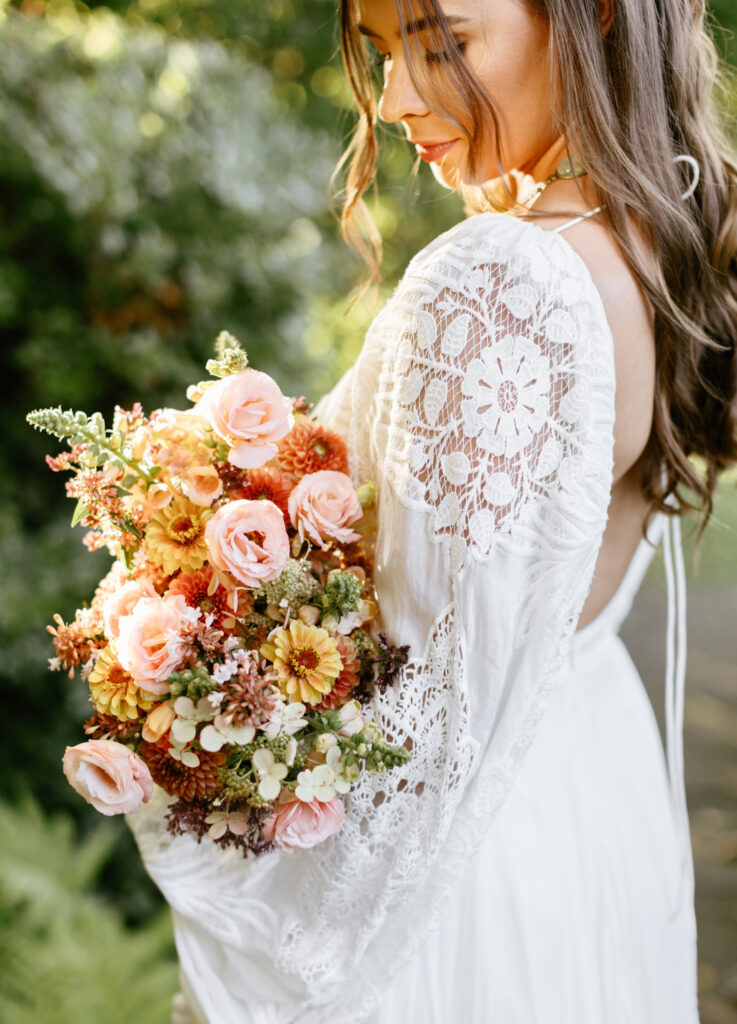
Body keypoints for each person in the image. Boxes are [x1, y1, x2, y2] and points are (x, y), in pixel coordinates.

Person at [129, 1, 737, 1022]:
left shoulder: (500, 276)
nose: (400, 98)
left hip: (463, 871)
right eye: (382, 51)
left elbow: (421, 723)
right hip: (585, 793)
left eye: (442, 43)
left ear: (587, 21)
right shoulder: (651, 237)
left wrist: (219, 803)